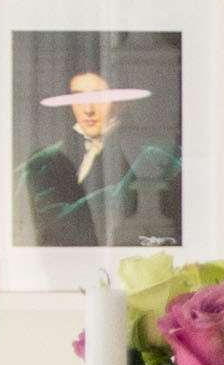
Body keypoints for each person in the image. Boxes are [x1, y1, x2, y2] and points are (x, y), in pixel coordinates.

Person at [21, 69, 178, 250]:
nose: (88, 110)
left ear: (120, 103)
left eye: (98, 97)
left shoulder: (154, 155)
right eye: (78, 98)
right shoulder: (46, 163)